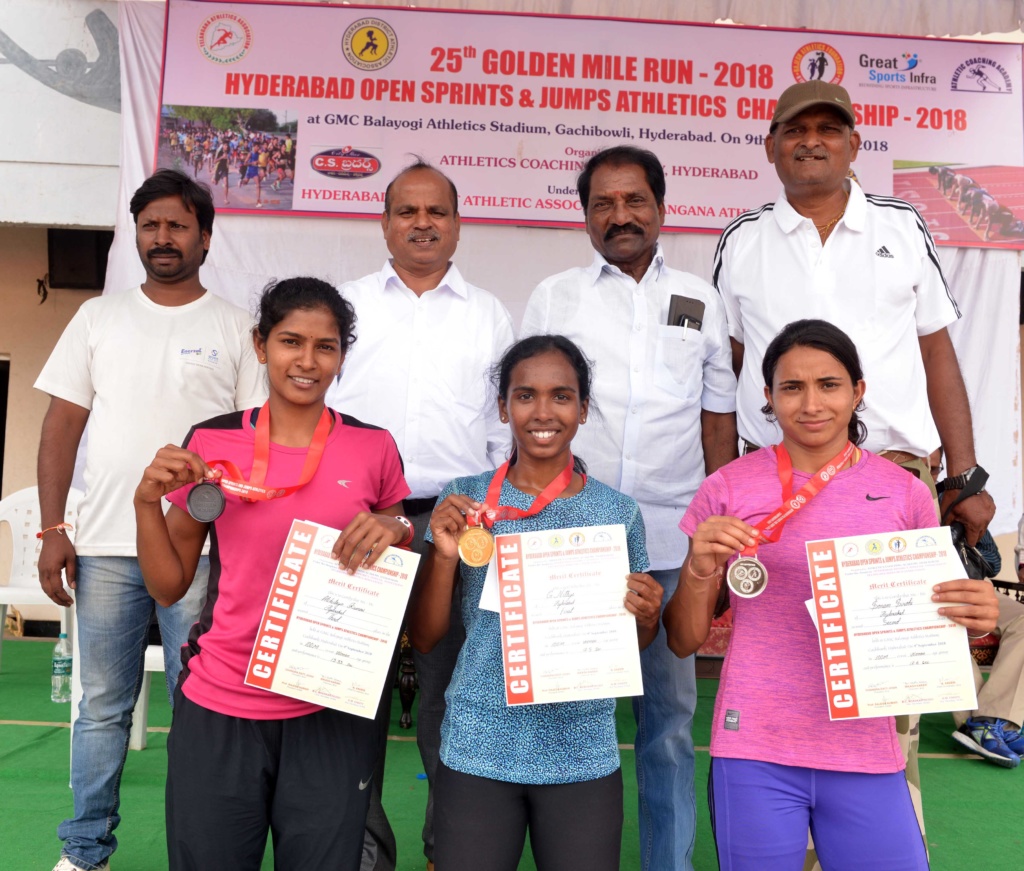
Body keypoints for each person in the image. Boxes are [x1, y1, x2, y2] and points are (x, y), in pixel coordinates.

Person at [712, 81, 996, 860]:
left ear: (853, 145)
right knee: (784, 665)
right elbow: (725, 369)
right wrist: (723, 485)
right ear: (771, 145)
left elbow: (937, 351)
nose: (811, 141)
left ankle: (883, 840)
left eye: (828, 128)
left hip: (890, 477)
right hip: (773, 483)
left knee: (887, 685)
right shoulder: (742, 240)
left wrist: (964, 476)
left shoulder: (900, 227)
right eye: (795, 129)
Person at [663, 319, 999, 870]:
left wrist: (971, 614)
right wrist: (700, 570)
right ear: (768, 396)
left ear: (858, 391)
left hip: (866, 747)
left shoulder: (905, 494)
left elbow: (927, 623)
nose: (811, 403)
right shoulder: (728, 487)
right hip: (755, 746)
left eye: (829, 384)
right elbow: (682, 640)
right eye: (792, 387)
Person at [134, 276, 413, 870]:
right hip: (222, 700)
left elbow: (397, 542)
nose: (307, 361)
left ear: (341, 355)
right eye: (291, 342)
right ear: (261, 345)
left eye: (325, 346)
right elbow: (168, 586)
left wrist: (398, 528)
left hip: (328, 707)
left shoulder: (374, 447)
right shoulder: (212, 440)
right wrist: (144, 506)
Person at [35, 169, 265, 871]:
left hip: (199, 555)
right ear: (135, 234)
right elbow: (61, 426)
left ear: (205, 237)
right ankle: (85, 850)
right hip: (106, 545)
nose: (163, 237)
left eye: (178, 226)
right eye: (150, 225)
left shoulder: (235, 326)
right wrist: (53, 529)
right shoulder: (96, 318)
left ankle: (201, 851)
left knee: (197, 708)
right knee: (102, 706)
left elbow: (255, 442)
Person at [521, 145, 737, 871]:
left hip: (671, 542)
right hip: (570, 541)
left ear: (661, 208)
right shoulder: (555, 297)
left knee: (668, 726)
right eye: (603, 204)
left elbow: (716, 419)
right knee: (559, 712)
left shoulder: (702, 299)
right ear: (585, 216)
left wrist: (716, 533)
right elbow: (528, 414)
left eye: (634, 200)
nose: (620, 215)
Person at [408, 334, 663, 871]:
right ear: (504, 408)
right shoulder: (466, 500)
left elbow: (632, 642)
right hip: (479, 741)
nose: (543, 412)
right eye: (525, 396)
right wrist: (447, 556)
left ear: (584, 409)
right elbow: (426, 638)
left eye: (561, 396)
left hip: (581, 747)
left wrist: (647, 614)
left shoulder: (617, 512)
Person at [325, 160, 514, 871]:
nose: (423, 223)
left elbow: (499, 430)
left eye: (437, 211)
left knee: (449, 695)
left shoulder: (488, 313)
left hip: (457, 523)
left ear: (459, 225)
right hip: (360, 521)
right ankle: (361, 851)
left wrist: (487, 518)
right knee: (355, 694)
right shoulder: (347, 306)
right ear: (384, 223)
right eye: (407, 211)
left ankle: (448, 850)